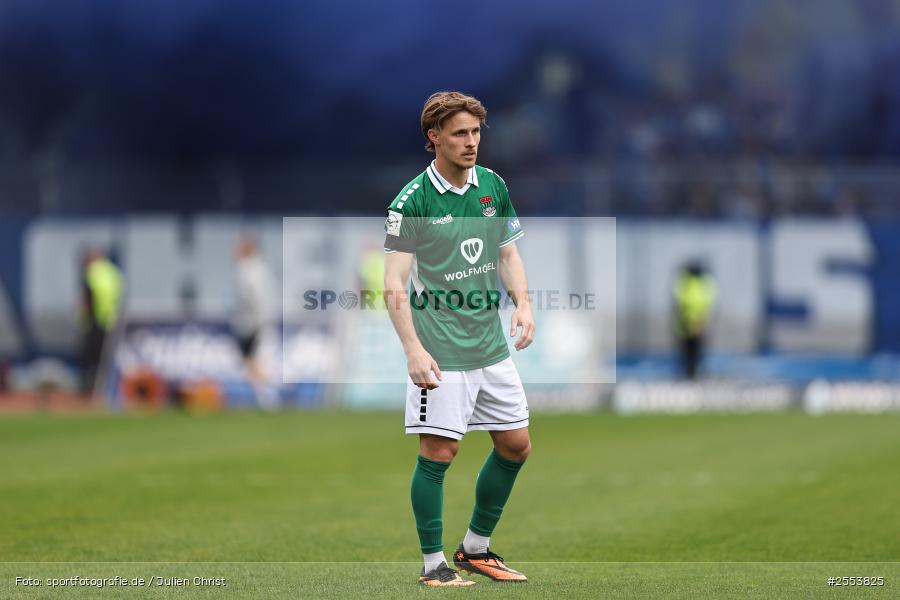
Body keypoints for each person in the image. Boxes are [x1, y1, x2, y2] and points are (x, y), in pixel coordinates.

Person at [383, 91, 535, 587]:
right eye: (459, 134)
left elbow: (508, 254)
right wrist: (413, 350)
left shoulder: (492, 185)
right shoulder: (414, 201)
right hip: (441, 350)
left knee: (515, 445)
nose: (471, 143)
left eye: (475, 133)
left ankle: (475, 549)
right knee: (438, 456)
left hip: (490, 345)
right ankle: (433, 567)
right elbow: (392, 285)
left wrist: (525, 304)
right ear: (434, 138)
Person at [233, 236, 279, 409]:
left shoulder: (247, 270)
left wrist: (253, 324)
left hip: (254, 324)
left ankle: (269, 396)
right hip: (261, 321)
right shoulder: (261, 268)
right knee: (252, 361)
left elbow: (252, 299)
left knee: (253, 361)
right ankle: (266, 396)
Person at [80, 247, 124, 396]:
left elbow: (88, 300)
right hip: (113, 320)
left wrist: (84, 320)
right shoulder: (113, 272)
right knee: (108, 359)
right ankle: (109, 390)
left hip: (96, 321)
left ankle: (93, 391)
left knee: (93, 359)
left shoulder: (92, 273)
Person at [673, 261, 716, 379]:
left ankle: (694, 373)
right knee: (688, 350)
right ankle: (689, 373)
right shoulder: (689, 282)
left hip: (696, 321)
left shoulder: (696, 283)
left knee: (695, 350)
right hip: (688, 322)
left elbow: (706, 303)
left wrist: (699, 320)